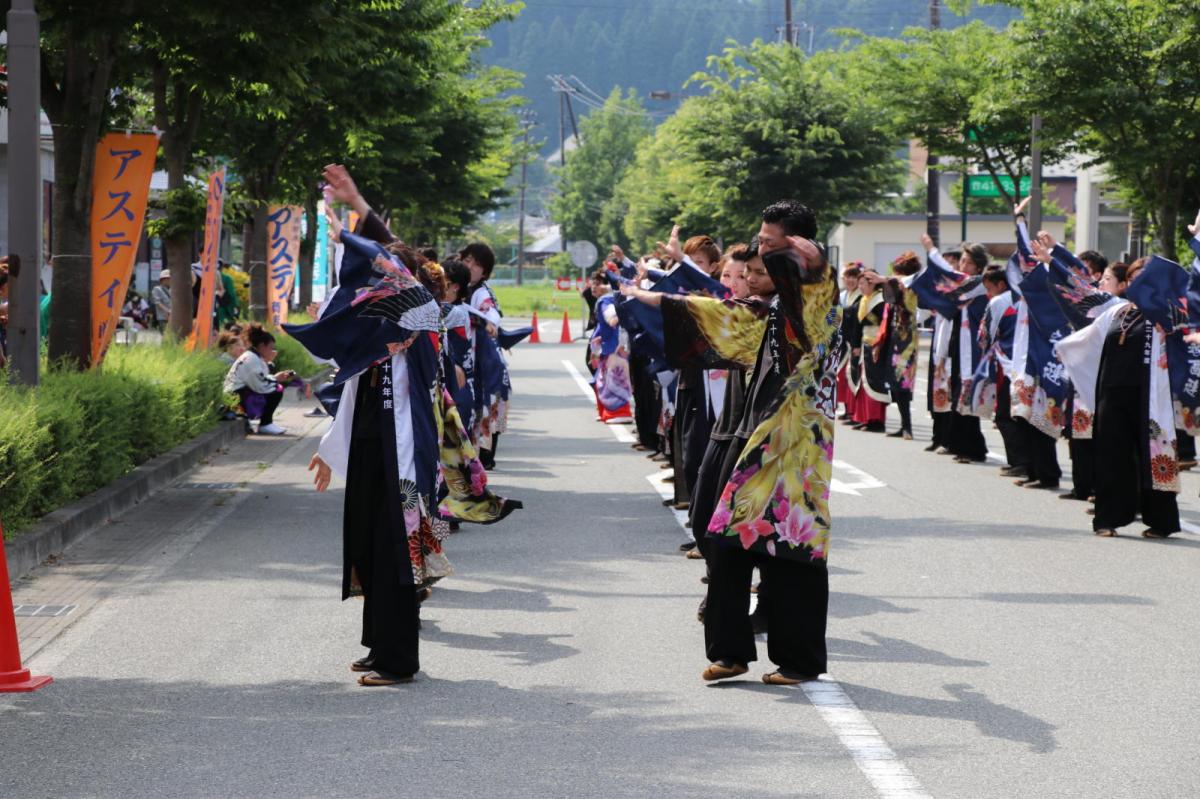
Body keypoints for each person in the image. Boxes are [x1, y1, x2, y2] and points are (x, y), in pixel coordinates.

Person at [624, 202, 840, 685]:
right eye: (759, 243)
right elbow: (720, 315)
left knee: (792, 552)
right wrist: (654, 299)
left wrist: (808, 260)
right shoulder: (776, 306)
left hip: (795, 446)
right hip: (753, 437)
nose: (758, 252)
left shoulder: (820, 297)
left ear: (799, 247)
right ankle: (730, 652)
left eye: (768, 244)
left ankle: (799, 660)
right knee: (725, 543)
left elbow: (805, 281)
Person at [1057, 260, 1180, 538]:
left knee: (1154, 454)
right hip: (1112, 393)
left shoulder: (1169, 313)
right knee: (1111, 455)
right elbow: (1086, 334)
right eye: (1134, 278)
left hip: (1151, 397)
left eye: (1145, 278)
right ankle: (1108, 518)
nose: (1139, 283)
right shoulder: (1116, 311)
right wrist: (1063, 349)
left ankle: (1160, 521)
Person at [223, 323, 294, 435]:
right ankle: (265, 424)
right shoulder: (251, 359)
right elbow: (261, 385)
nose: (273, 351)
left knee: (274, 386)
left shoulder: (253, 356)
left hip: (236, 394)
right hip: (235, 397)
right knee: (276, 389)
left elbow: (259, 379)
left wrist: (273, 374)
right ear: (262, 346)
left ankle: (266, 423)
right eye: (271, 348)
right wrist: (276, 379)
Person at [587, 270, 634, 423]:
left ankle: (619, 413)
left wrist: (612, 318)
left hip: (615, 347)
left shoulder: (606, 301)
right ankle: (607, 412)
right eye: (593, 283)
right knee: (602, 380)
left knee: (614, 380)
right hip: (612, 345)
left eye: (599, 283)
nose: (595, 286)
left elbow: (611, 318)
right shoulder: (615, 298)